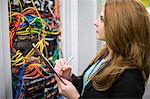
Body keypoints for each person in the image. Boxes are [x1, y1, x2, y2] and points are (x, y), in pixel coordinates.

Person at [54, 0, 150, 98]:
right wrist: (70, 79)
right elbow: (88, 89)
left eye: (102, 19)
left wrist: (74, 97)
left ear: (120, 26)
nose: (95, 22)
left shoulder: (131, 77)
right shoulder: (107, 54)